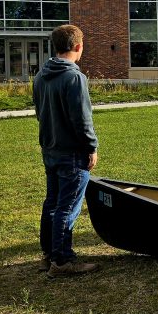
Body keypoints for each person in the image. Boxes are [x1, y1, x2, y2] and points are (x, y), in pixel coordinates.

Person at [33, 24, 99, 278]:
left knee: (52, 203)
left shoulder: (41, 76)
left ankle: (49, 254)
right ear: (78, 46)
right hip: (72, 153)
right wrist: (91, 147)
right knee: (67, 206)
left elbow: (40, 113)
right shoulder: (74, 77)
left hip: (50, 149)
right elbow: (81, 119)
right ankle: (62, 260)